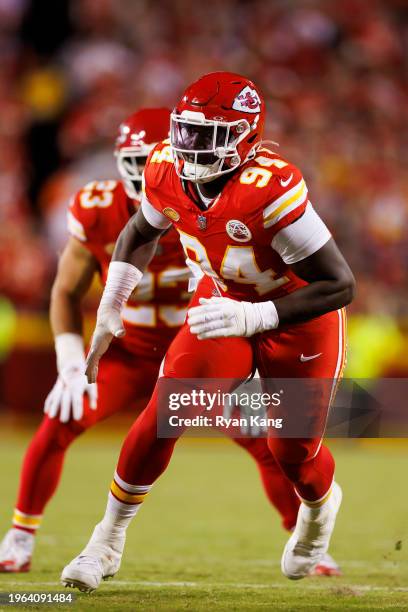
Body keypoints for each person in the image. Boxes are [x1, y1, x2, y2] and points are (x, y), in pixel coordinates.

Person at [0, 105, 340, 577]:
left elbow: (337, 281)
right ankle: (77, 539)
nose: (147, 171)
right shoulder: (134, 194)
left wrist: (254, 316)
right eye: (134, 161)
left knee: (285, 449)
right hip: (151, 345)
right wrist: (76, 349)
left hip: (265, 316)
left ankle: (308, 527)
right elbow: (82, 274)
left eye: (150, 159)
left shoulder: (263, 188)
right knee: (100, 418)